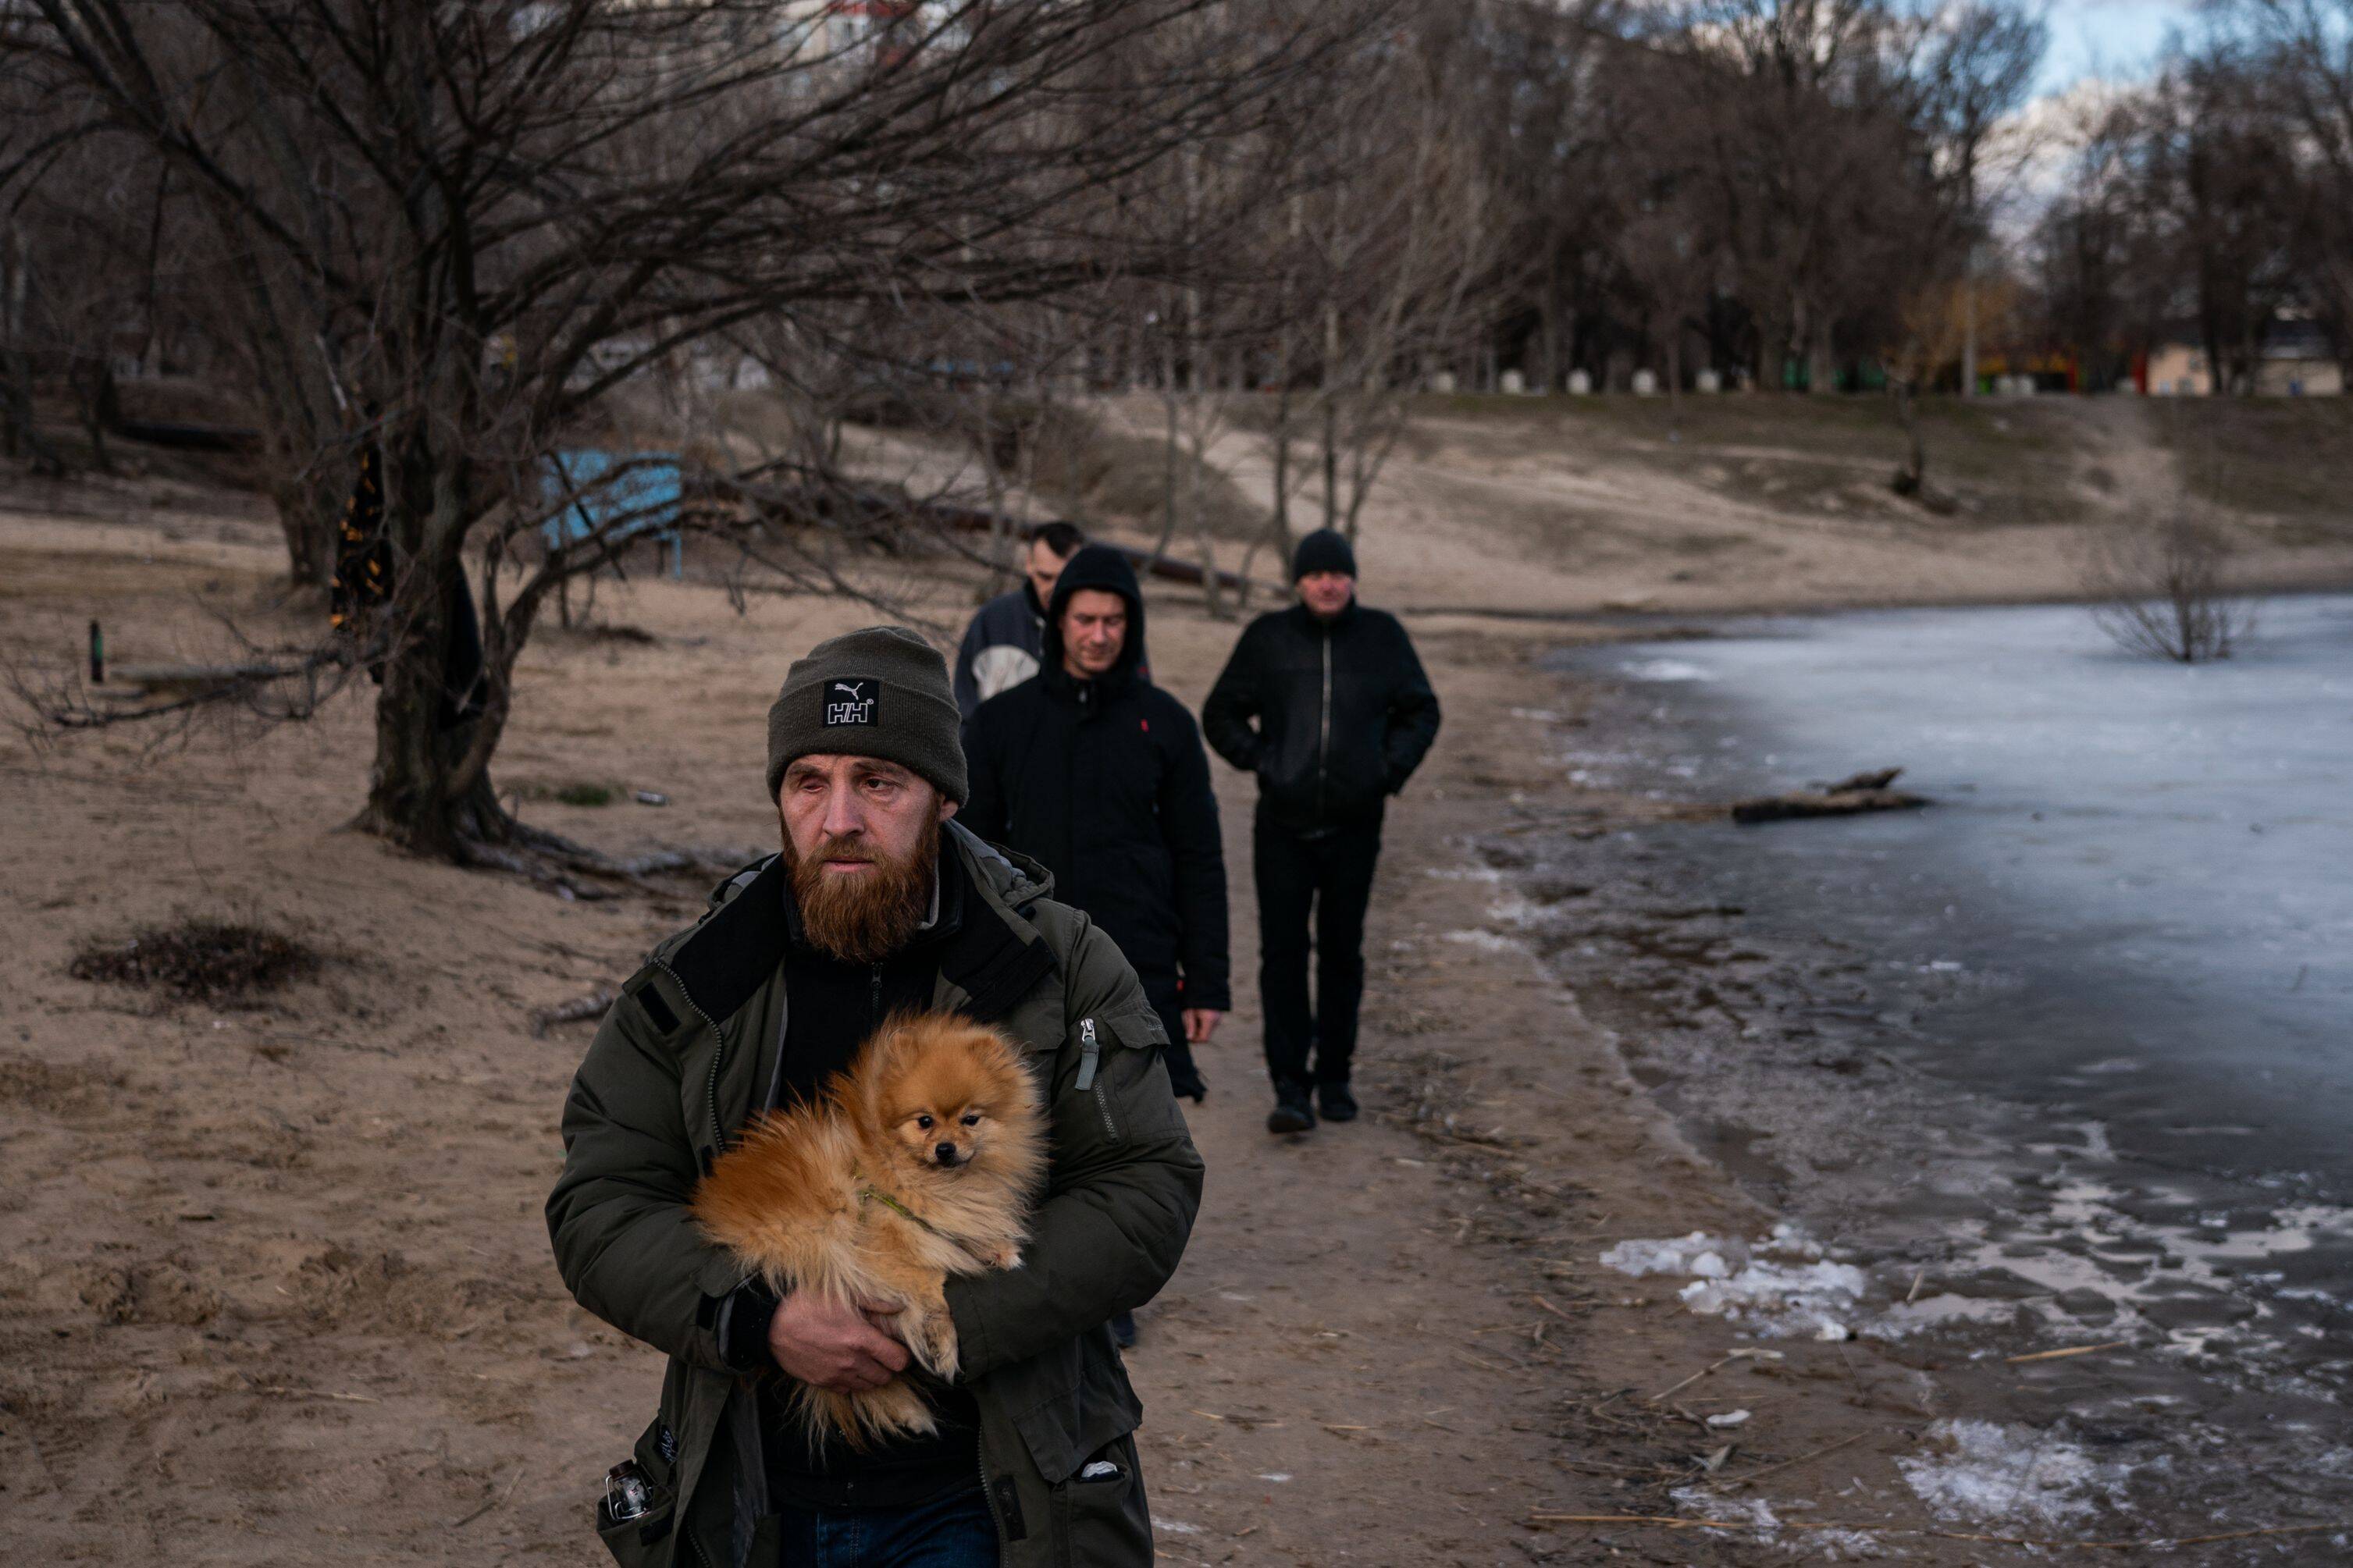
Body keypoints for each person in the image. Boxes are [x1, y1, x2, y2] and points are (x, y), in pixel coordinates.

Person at [548, 625, 1199, 1568]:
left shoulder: (1055, 967)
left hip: (984, 1495)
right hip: (750, 1501)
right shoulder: (700, 983)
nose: (839, 816)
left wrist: (937, 1313)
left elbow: (1145, 1186)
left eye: (877, 781)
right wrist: (759, 1315)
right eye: (807, 781)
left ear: (941, 795)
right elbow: (598, 1204)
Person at [960, 544, 1229, 1109]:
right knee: (1032, 1142)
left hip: (1140, 966)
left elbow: (1198, 856)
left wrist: (1206, 984)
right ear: (1060, 621)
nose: (1099, 635)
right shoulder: (1001, 723)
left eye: (1113, 620)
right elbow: (967, 857)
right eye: (1085, 619)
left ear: (1131, 625)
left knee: (1142, 1143)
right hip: (1028, 968)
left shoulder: (1167, 723)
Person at [1202, 528, 1441, 1136]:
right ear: (1300, 582)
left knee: (1342, 952)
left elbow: (1422, 709)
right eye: (1316, 574)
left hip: (1356, 825)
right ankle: (1290, 1085)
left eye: (1337, 573)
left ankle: (1335, 1076)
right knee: (1283, 955)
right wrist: (1264, 761)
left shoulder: (1382, 636)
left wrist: (1387, 772)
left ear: (1352, 578)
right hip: (1282, 824)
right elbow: (1220, 710)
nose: (1328, 583)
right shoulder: (1269, 638)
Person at [953, 521, 1084, 720]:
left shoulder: (1104, 628)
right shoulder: (992, 620)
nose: (1056, 589)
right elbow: (964, 711)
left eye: (1065, 578)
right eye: (1046, 577)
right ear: (1029, 563)